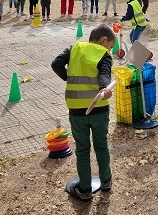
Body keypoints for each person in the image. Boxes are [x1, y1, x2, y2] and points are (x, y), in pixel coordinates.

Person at [51, 24, 115, 200]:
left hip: (77, 110)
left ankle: (85, 189)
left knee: (82, 149)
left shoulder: (75, 48)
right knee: (101, 145)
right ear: (104, 41)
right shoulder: (104, 54)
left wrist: (67, 77)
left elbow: (56, 63)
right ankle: (106, 181)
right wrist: (104, 88)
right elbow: (104, 75)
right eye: (110, 46)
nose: (110, 50)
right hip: (99, 108)